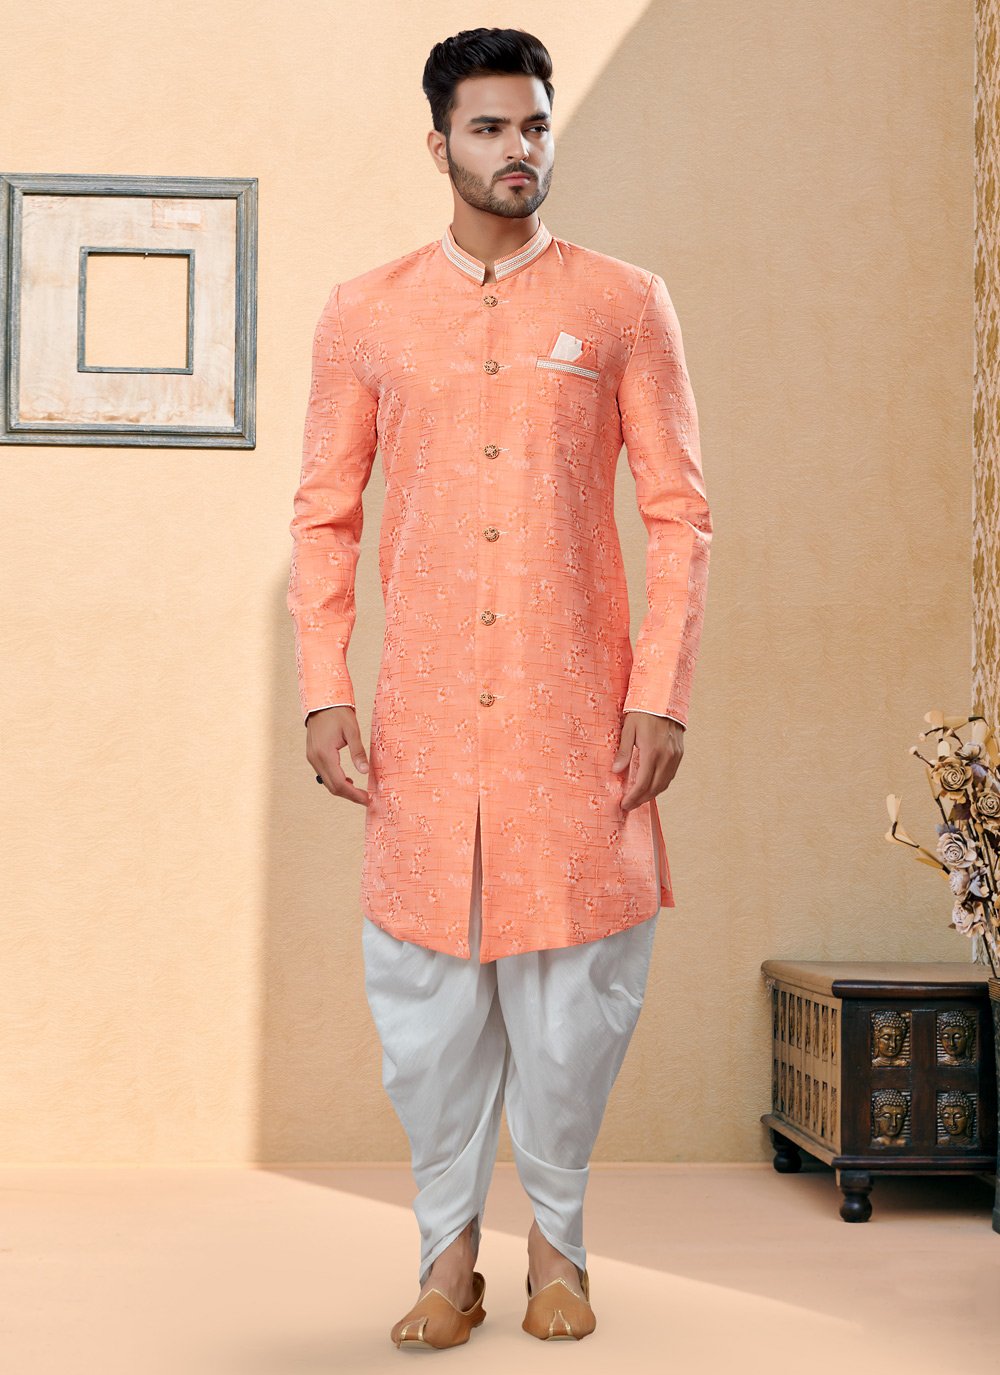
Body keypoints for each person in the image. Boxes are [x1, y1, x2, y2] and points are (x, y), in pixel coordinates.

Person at [286, 26, 712, 1349]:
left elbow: (680, 515)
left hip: (573, 714)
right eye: (489, 128)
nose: (518, 148)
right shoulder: (365, 312)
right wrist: (323, 685)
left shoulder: (625, 303)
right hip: (423, 721)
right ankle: (448, 1260)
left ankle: (560, 1253)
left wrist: (661, 690)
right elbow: (323, 518)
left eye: (533, 124)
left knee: (575, 1003)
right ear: (441, 146)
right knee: (427, 1018)